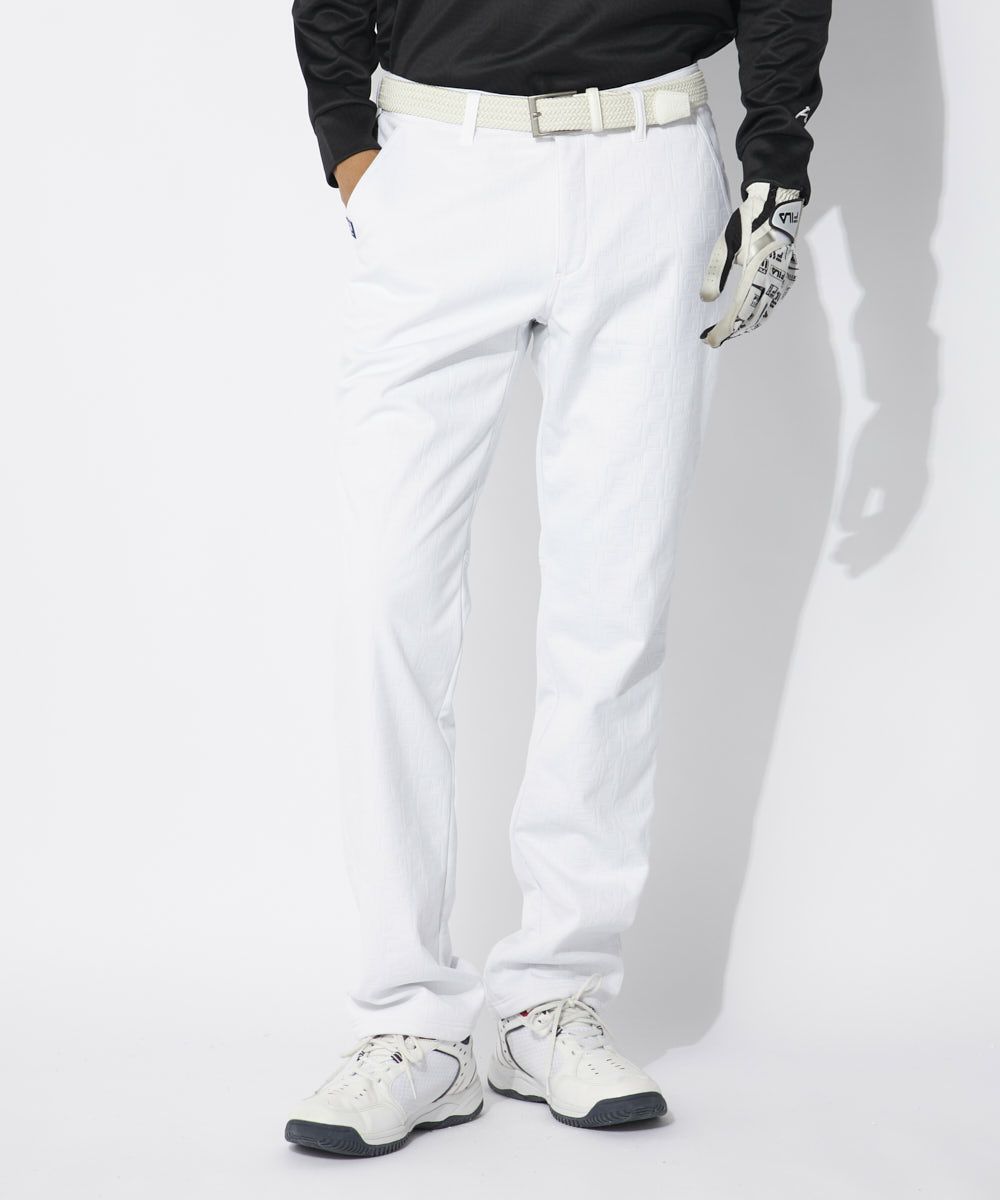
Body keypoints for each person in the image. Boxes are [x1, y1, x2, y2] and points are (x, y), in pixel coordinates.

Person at [284, 0, 832, 1157]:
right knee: (385, 602)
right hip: (439, 163)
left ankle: (552, 998)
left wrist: (775, 152)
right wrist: (349, 143)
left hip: (647, 162)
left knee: (612, 602)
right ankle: (411, 1018)